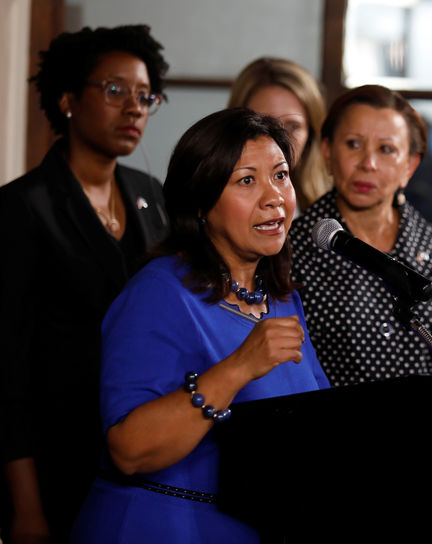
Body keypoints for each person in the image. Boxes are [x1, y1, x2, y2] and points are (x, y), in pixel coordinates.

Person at [70, 109, 329, 542]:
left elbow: (317, 424)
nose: (274, 197)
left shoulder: (282, 300)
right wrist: (238, 368)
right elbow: (129, 450)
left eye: (281, 176)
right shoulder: (158, 292)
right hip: (157, 528)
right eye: (247, 180)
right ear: (201, 203)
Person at [0, 25, 168, 542]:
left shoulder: (152, 195)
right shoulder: (22, 207)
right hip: (54, 458)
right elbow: (6, 370)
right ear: (68, 99)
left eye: (145, 96)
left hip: (140, 451)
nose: (135, 108)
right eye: (115, 90)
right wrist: (25, 507)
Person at [290, 84, 432, 386]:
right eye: (353, 144)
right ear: (327, 152)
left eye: (386, 149)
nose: (368, 163)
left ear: (410, 165)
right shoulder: (292, 248)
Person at [228, 57, 329, 212]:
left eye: (293, 127)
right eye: (264, 125)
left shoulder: (328, 206)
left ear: (311, 134)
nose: (280, 140)